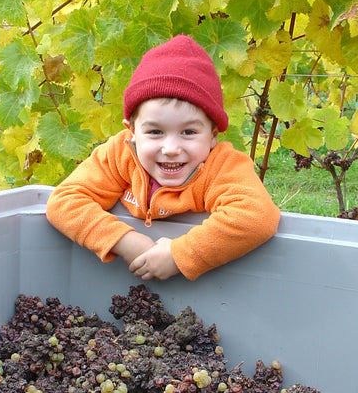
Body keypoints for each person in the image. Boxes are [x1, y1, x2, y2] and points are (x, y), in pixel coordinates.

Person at [45, 34, 280, 281]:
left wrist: (180, 254)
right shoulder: (120, 153)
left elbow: (257, 216)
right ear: (133, 131)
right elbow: (64, 201)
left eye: (188, 132)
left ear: (212, 136)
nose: (170, 148)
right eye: (155, 132)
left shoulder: (221, 165)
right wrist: (125, 241)